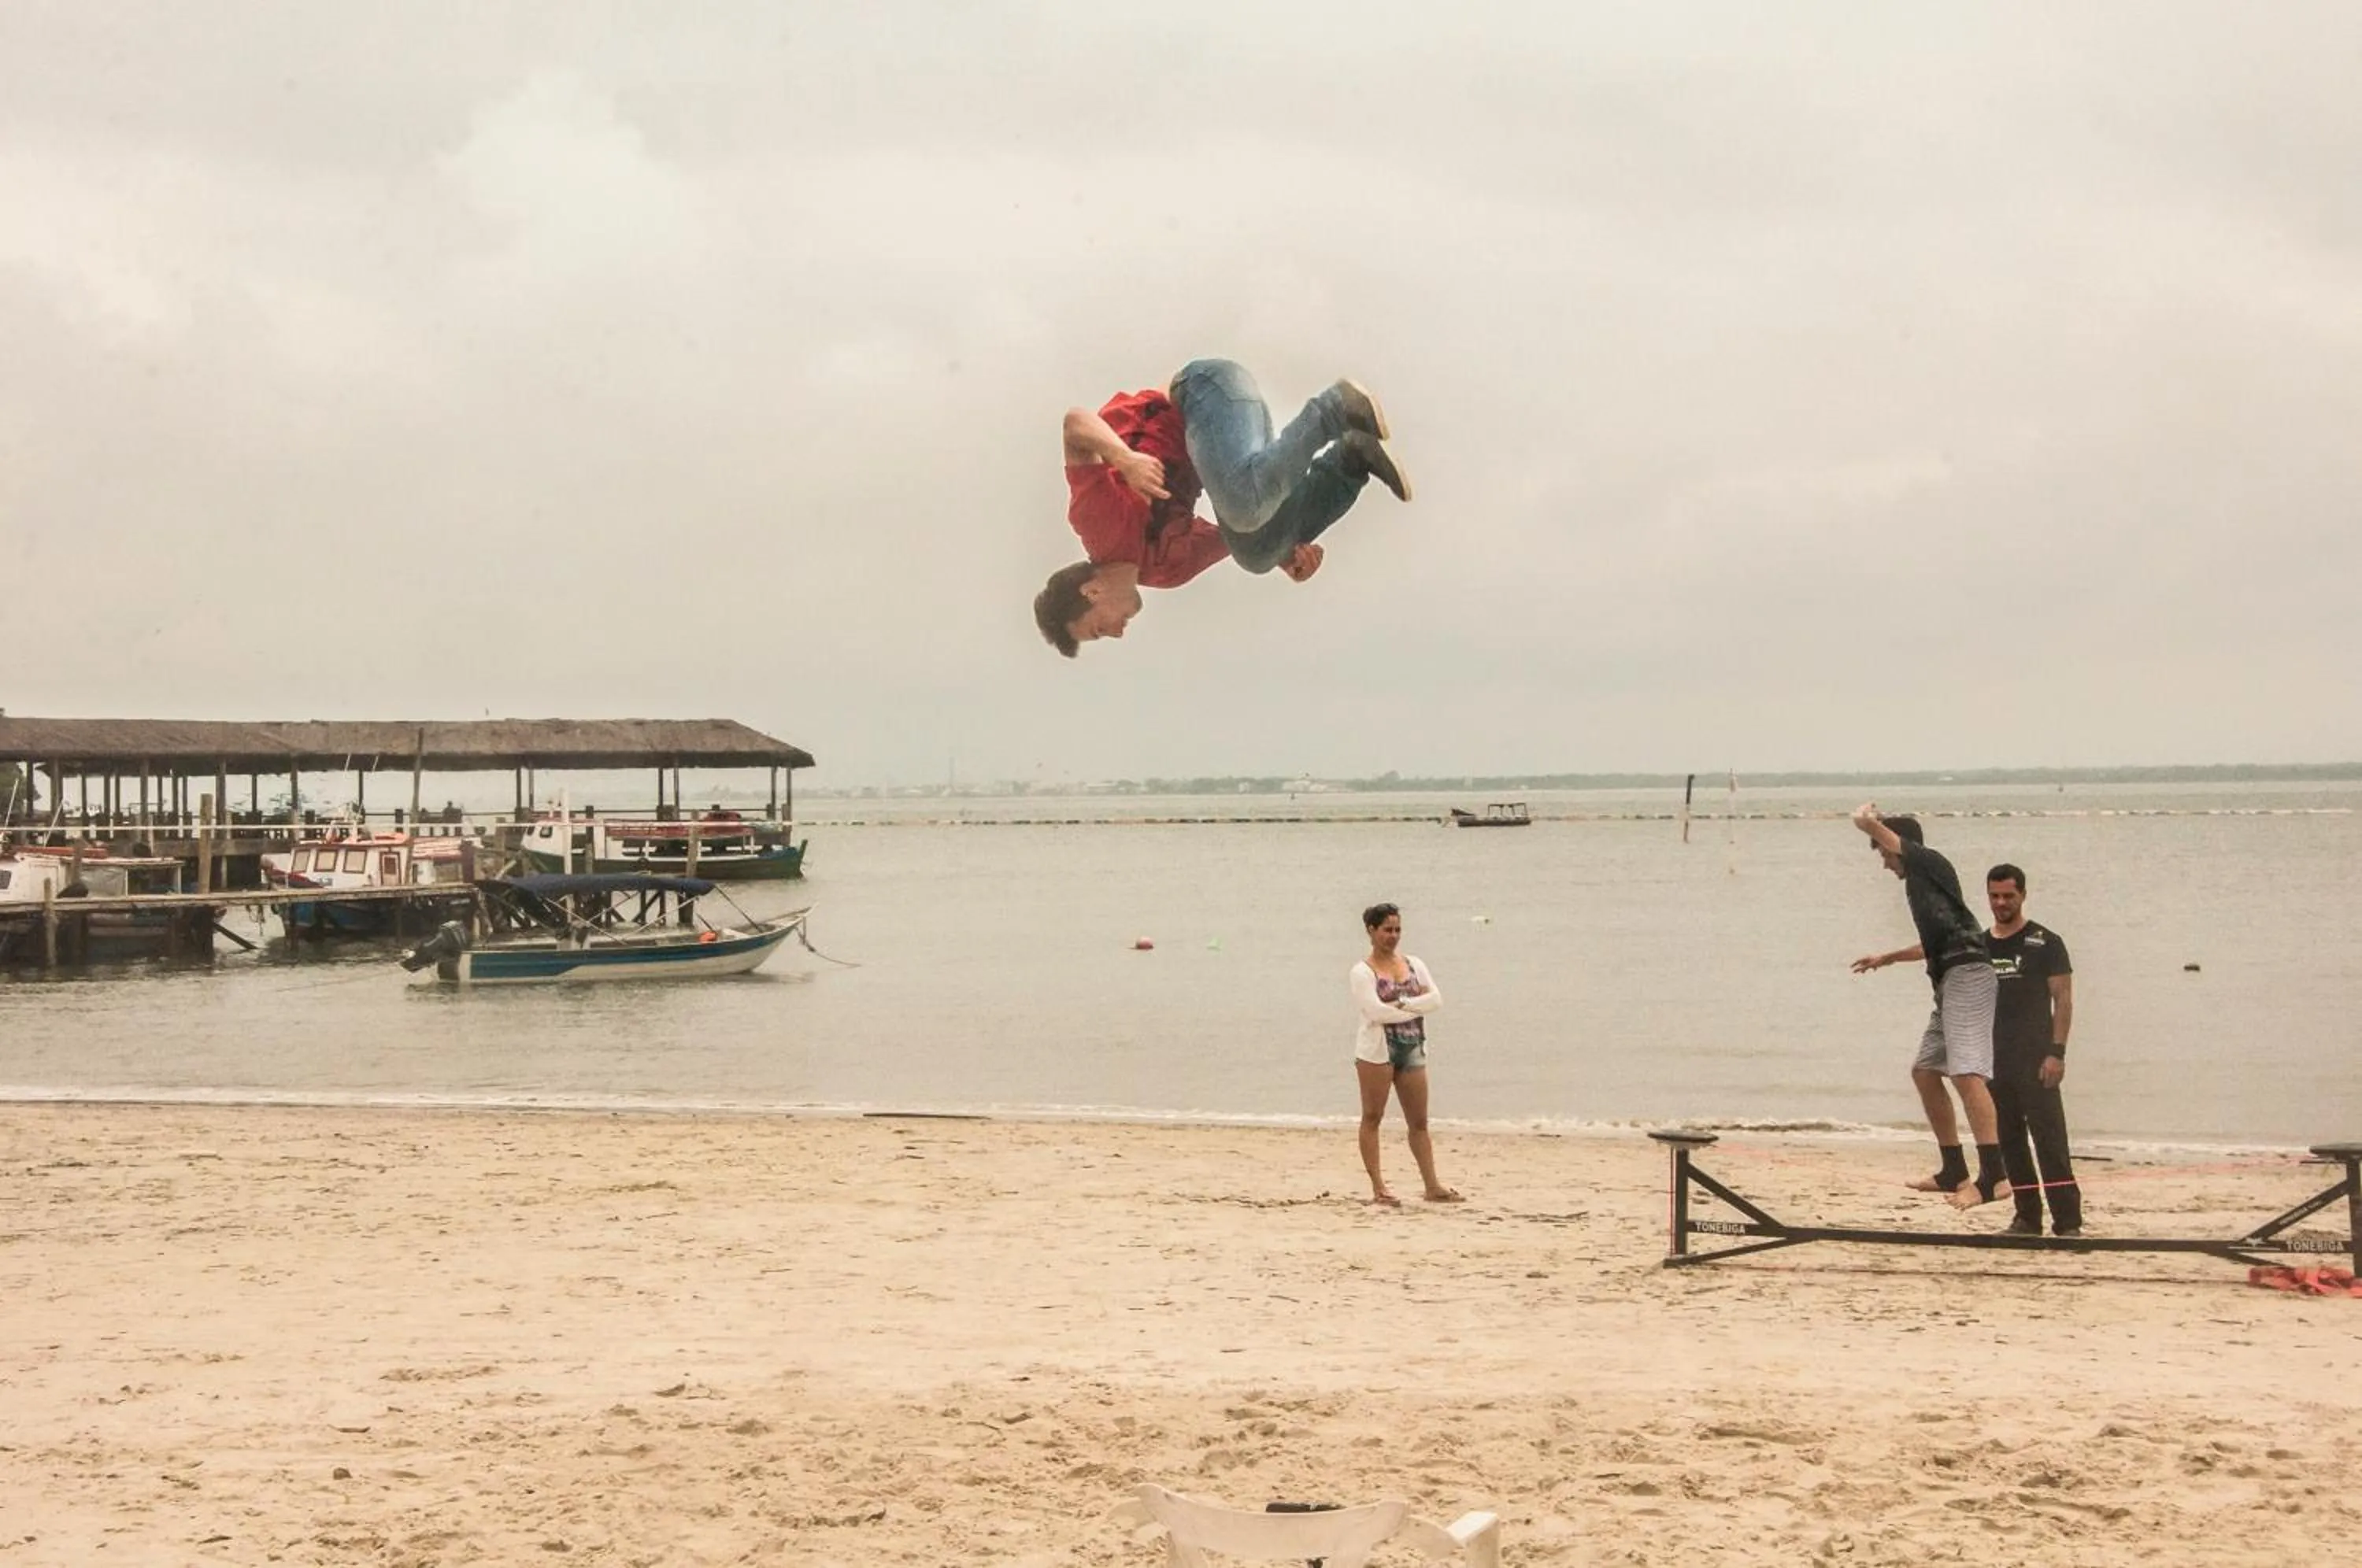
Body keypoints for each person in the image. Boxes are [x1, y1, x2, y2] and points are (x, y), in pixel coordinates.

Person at [1033, 359, 1412, 656]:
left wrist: (1125, 459)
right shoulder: (1169, 571)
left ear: (1092, 593)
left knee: (1244, 508)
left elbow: (1074, 425)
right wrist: (1284, 552)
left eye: (1100, 629)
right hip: (1236, 447)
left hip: (1204, 391)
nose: (1117, 632)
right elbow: (1237, 536)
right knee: (1256, 555)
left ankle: (1335, 407)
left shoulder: (1100, 526)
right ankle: (1352, 460)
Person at [1848, 804, 2007, 1208]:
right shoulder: (1923, 886)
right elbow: (1938, 943)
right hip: (1951, 980)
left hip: (1968, 977)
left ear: (1901, 847)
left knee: (1967, 1074)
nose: (1885, 864)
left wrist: (1865, 818)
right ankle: (1953, 1169)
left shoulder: (1927, 862)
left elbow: (1873, 828)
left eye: (1884, 854)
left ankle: (1995, 1176)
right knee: (1925, 1071)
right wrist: (1887, 957)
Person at [1985, 864, 2081, 1237]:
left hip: (2038, 1059)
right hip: (1995, 1060)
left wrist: (2057, 1052)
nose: (2002, 902)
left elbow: (2064, 1000)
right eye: (1995, 896)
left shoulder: (2046, 942)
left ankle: (2068, 1222)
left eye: (2009, 895)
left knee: (2050, 1140)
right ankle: (2027, 1218)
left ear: (2023, 895)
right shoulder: (1981, 944)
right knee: (2009, 1142)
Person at [1349, 901, 1461, 1207]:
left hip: (1412, 1046)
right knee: (1373, 1116)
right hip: (1377, 1052)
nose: (1393, 936)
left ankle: (1432, 1185)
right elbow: (1375, 1012)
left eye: (1397, 929)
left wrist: (1403, 1005)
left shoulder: (1414, 964)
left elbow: (1435, 999)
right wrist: (1409, 1006)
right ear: (1372, 931)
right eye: (1387, 930)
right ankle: (1379, 1186)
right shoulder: (1363, 971)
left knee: (1419, 1121)